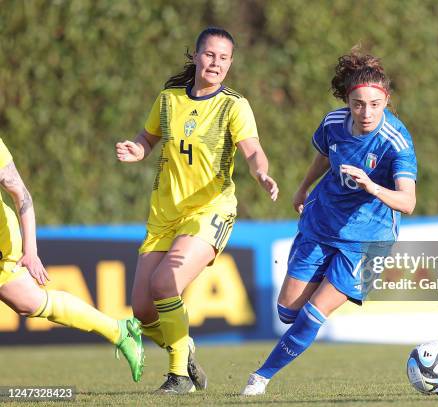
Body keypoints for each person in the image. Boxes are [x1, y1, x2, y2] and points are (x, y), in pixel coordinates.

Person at [241, 49, 417, 396]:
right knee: (287, 312)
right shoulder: (333, 123)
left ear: (387, 101)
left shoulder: (396, 142)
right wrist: (304, 187)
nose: (366, 113)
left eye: (374, 105)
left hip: (368, 240)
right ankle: (321, 284)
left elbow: (408, 202)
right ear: (347, 101)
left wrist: (371, 186)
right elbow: (325, 154)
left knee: (312, 314)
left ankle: (259, 378)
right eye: (357, 104)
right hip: (322, 222)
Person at [116, 27, 278, 394]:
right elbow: (148, 138)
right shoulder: (168, 99)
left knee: (164, 284)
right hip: (164, 215)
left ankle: (179, 377)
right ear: (195, 56)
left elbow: (252, 149)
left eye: (223, 58)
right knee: (143, 310)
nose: (216, 63)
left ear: (230, 63)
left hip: (210, 210)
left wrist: (262, 172)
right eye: (209, 55)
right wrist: (136, 150)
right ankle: (183, 345)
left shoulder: (234, 105)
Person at [0, 137, 144, 382]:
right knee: (29, 303)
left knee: (32, 303)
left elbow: (20, 193)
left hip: (3, 244)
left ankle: (121, 333)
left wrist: (31, 250)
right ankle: (119, 332)